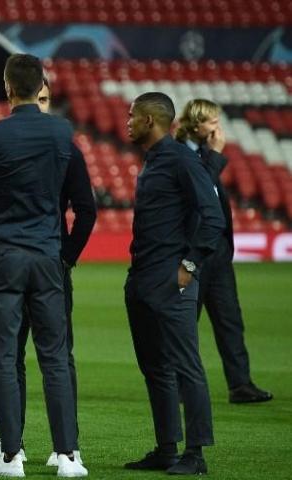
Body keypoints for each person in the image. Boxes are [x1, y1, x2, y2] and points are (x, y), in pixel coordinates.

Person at [0, 54, 88, 478]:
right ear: (40, 89)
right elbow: (77, 198)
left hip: (3, 257)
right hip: (48, 256)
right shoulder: (62, 133)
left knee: (3, 359)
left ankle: (11, 457)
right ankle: (68, 456)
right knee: (54, 357)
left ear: (7, 87)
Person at [123, 92, 224, 475]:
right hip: (143, 278)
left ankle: (196, 453)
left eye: (133, 116)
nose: (127, 121)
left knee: (186, 366)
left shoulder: (182, 159)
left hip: (171, 279)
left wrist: (190, 265)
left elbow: (212, 216)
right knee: (155, 368)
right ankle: (167, 448)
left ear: (151, 121)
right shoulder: (153, 162)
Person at [175, 99, 273, 404]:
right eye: (212, 122)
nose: (218, 128)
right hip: (193, 251)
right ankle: (178, 386)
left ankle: (240, 383)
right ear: (196, 125)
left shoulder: (204, 155)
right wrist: (216, 153)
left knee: (230, 319)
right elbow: (200, 187)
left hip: (216, 253)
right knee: (186, 321)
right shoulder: (182, 156)